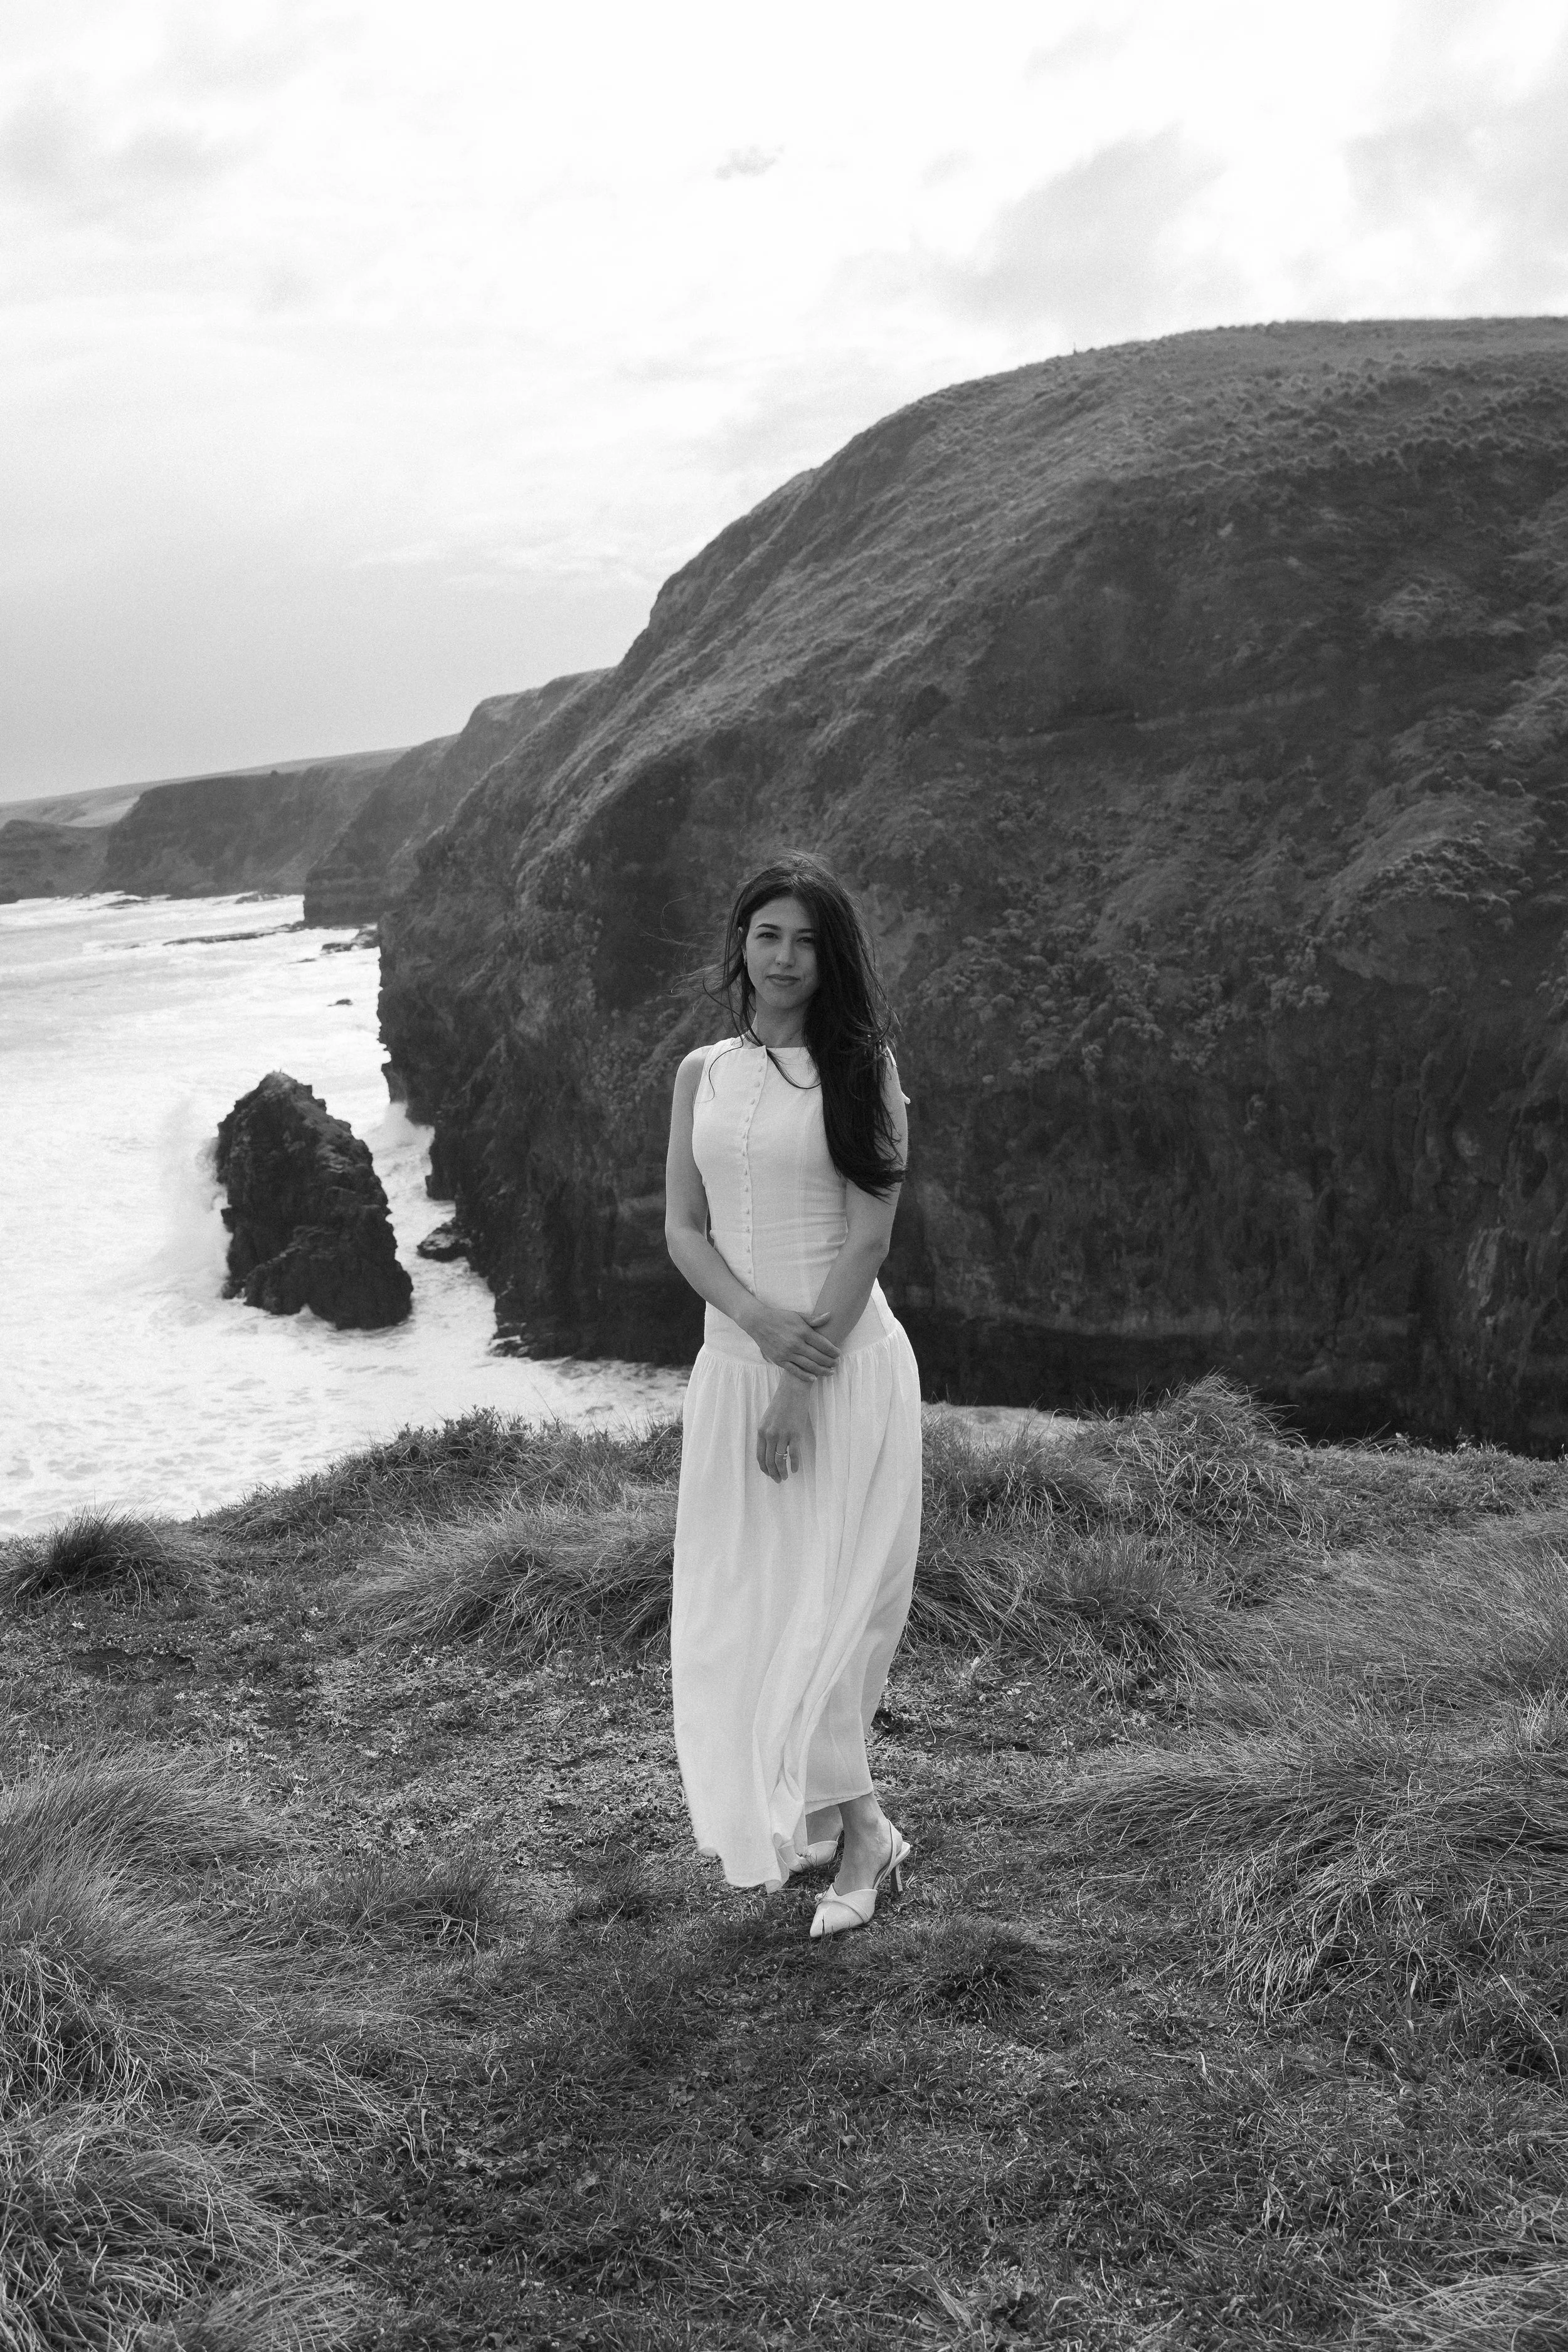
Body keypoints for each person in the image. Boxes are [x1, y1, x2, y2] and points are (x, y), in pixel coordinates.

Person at [664, 852, 922, 1937]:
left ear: (833, 957)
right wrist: (757, 1334)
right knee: (740, 1614)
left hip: (842, 1372)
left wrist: (796, 1381)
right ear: (740, 944)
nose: (785, 959)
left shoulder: (865, 1069)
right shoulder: (700, 1073)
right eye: (768, 935)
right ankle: (829, 1810)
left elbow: (868, 1240)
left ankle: (862, 1828)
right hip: (733, 1372)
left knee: (820, 1608)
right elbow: (684, 1225)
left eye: (808, 941)